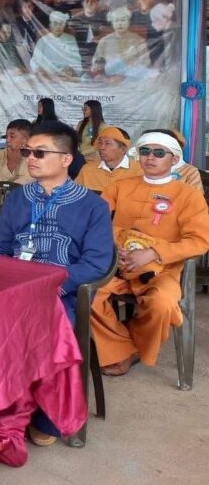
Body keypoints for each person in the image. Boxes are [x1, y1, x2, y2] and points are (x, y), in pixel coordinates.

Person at [0, 120, 115, 446]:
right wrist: (9, 283)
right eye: (28, 152)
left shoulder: (93, 206)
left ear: (66, 159)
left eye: (40, 153)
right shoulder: (18, 199)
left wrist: (53, 285)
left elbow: (96, 263)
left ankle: (46, 415)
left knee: (44, 324)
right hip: (13, 286)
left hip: (62, 292)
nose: (31, 158)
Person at [91, 131, 209, 377]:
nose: (150, 157)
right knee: (84, 293)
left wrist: (154, 252)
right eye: (145, 151)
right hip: (116, 266)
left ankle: (135, 340)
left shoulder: (188, 195)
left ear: (174, 159)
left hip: (161, 270)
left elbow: (200, 240)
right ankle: (121, 349)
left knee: (162, 305)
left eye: (159, 153)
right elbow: (95, 221)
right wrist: (112, 244)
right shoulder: (120, 186)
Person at [75, 126, 141, 192]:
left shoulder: (139, 171)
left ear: (123, 149)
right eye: (100, 143)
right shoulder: (87, 170)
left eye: (107, 143)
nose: (101, 147)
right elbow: (75, 195)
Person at [93, 7, 152, 79]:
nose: (120, 23)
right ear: (112, 23)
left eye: (123, 20)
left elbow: (146, 62)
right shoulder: (104, 41)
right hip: (111, 77)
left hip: (133, 76)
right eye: (116, 21)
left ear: (129, 22)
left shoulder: (138, 40)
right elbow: (97, 62)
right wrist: (99, 67)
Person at [31, 11, 82, 77]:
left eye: (61, 24)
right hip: (47, 76)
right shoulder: (42, 40)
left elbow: (77, 61)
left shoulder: (70, 39)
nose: (58, 27)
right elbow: (35, 61)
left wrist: (72, 69)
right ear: (50, 26)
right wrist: (39, 70)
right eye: (55, 24)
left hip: (65, 76)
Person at [70, 0, 109, 69]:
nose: (89, 4)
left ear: (97, 2)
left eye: (93, 1)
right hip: (82, 55)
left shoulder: (105, 18)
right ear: (82, 3)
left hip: (101, 53)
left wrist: (101, 38)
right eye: (87, 1)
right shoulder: (75, 20)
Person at [0, 119, 34, 185]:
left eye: (12, 136)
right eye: (6, 136)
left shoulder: (35, 156)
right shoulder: (0, 154)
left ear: (26, 140)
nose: (7, 140)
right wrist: (11, 164)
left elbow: (28, 181)